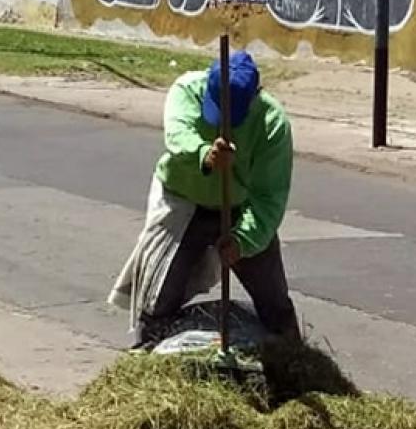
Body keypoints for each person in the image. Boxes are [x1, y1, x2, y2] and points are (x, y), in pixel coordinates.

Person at [110, 50, 301, 347]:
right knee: (160, 292)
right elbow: (177, 135)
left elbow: (268, 197)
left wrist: (242, 240)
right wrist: (204, 154)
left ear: (255, 96)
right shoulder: (187, 90)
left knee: (273, 299)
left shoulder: (272, 124)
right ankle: (148, 350)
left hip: (238, 207)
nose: (224, 121)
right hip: (184, 200)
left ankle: (291, 356)